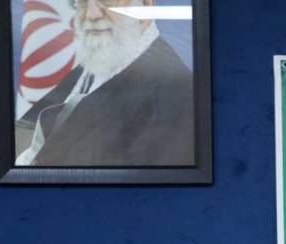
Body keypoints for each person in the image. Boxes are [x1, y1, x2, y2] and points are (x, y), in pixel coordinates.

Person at [15, 0, 194, 167]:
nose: (91, 14)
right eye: (82, 2)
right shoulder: (90, 69)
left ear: (146, 5)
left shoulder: (180, 96)